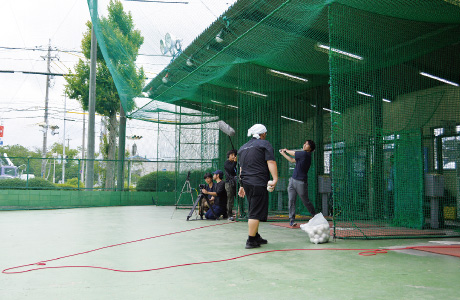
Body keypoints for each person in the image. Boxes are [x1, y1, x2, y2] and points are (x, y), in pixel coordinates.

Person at [238, 124, 278, 249]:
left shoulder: (242, 148)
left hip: (247, 183)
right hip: (258, 182)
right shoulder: (264, 144)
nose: (266, 135)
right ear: (262, 134)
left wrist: (242, 186)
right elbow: (271, 161)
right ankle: (250, 240)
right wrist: (275, 178)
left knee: (254, 208)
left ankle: (255, 236)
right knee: (254, 213)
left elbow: (241, 169)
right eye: (265, 133)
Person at [279, 140, 317, 227]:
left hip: (301, 182)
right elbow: (292, 160)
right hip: (292, 180)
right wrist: (283, 154)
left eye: (307, 144)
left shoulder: (305, 154)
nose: (304, 145)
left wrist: (285, 150)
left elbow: (293, 153)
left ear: (310, 148)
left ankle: (315, 216)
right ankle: (291, 220)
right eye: (305, 143)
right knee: (291, 200)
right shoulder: (302, 156)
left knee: (305, 201)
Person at [224, 149, 237, 220]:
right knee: (230, 199)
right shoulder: (227, 163)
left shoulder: (237, 163)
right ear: (228, 156)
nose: (233, 156)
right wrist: (234, 162)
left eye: (234, 155)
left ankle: (240, 213)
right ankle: (229, 214)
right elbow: (231, 169)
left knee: (239, 198)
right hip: (229, 183)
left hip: (236, 183)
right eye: (232, 155)